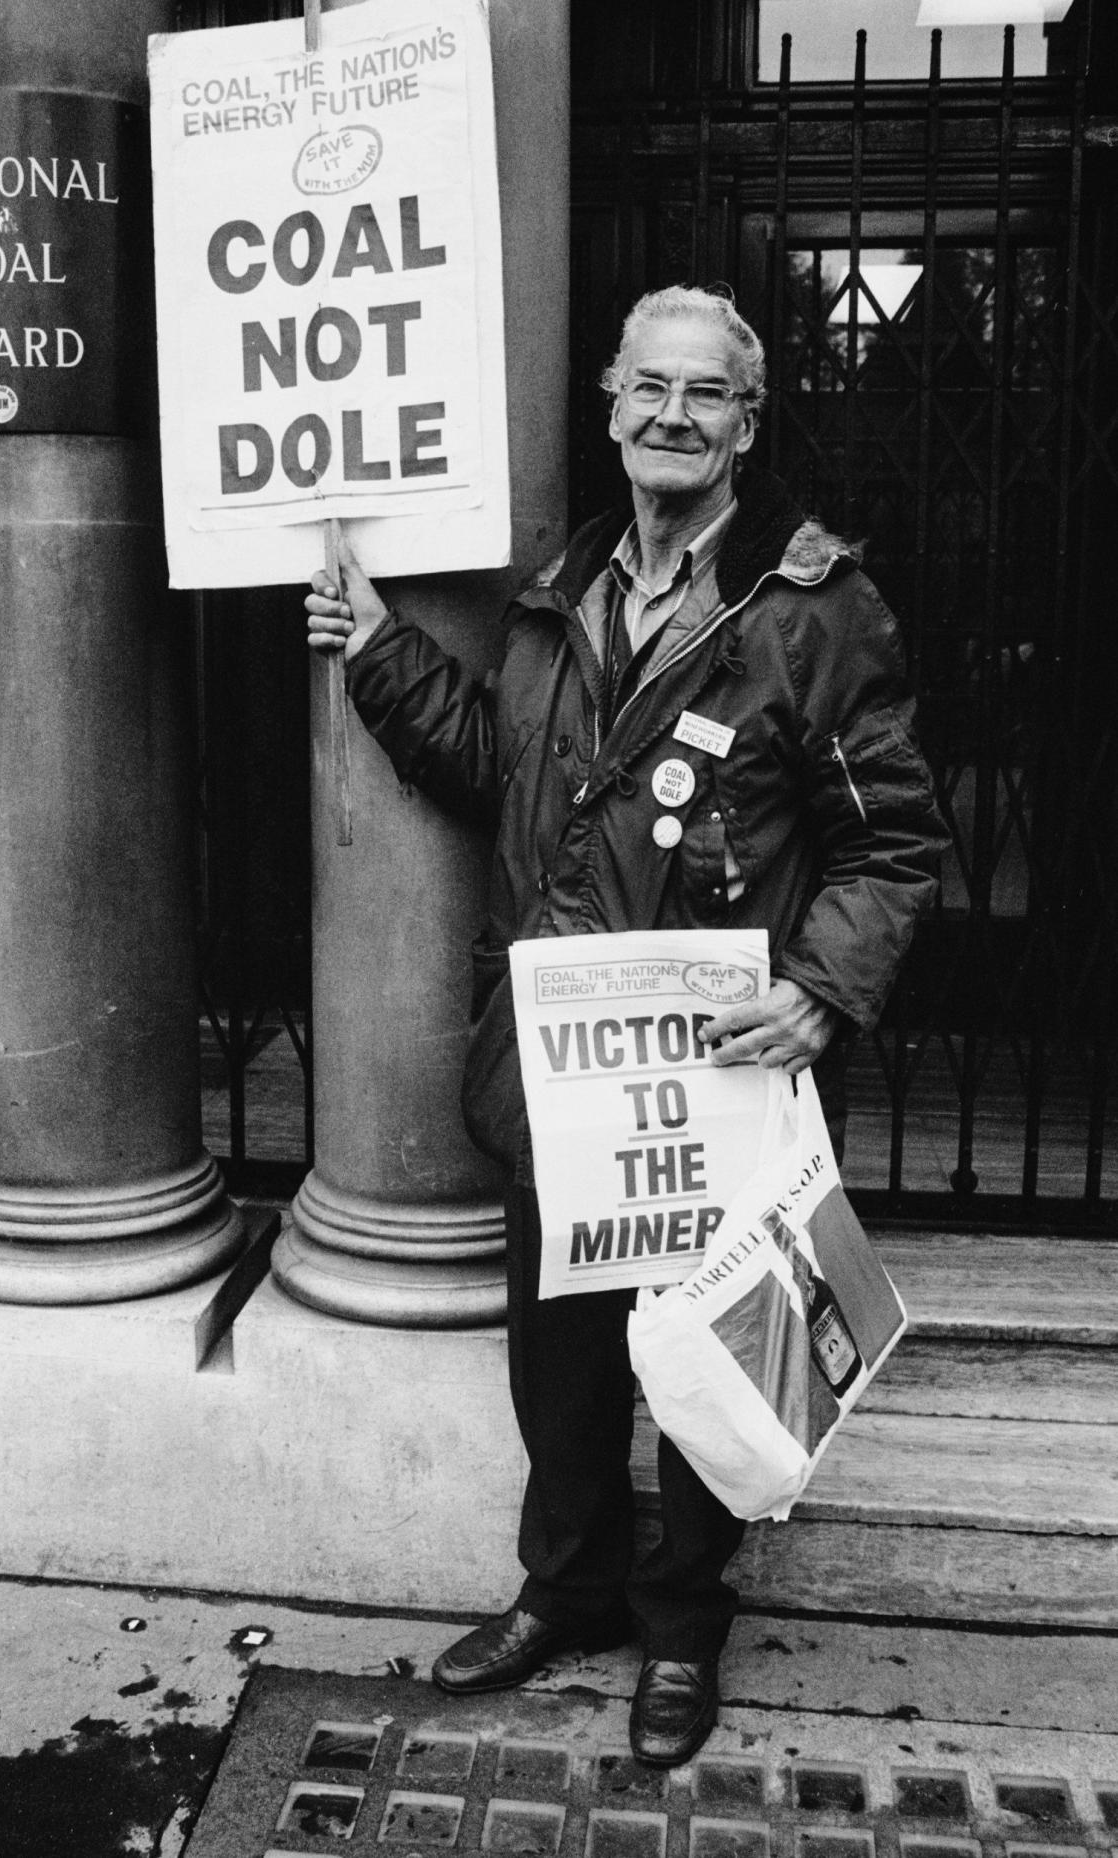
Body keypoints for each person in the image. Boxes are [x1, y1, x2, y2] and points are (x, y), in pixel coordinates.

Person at [306, 284, 948, 1766]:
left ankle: (678, 1627)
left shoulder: (811, 608)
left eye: (702, 395)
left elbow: (890, 838)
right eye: (645, 388)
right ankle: (567, 1588)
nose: (670, 414)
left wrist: (821, 985)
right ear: (607, 405)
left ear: (746, 419)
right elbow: (498, 768)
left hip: (715, 1068)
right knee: (564, 1349)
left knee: (714, 1344)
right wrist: (375, 647)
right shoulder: (563, 591)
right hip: (566, 1063)